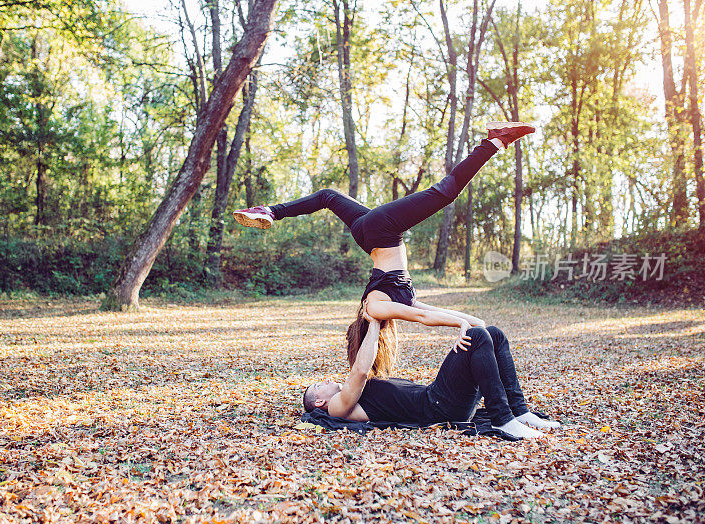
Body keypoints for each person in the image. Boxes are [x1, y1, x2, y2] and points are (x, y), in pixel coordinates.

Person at [234, 121, 536, 377]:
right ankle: (271, 211)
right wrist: (472, 322)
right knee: (327, 196)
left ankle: (495, 140)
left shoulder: (376, 308)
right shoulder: (394, 303)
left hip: (382, 231)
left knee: (444, 192)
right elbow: (430, 312)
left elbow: (423, 319)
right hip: (369, 234)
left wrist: (460, 324)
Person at [302, 317, 561, 439]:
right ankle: (503, 420)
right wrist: (372, 322)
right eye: (319, 385)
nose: (325, 380)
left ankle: (519, 411)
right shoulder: (338, 408)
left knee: (493, 333)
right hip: (438, 406)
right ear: (320, 403)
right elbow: (359, 369)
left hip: (440, 399)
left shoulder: (354, 394)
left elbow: (366, 365)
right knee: (479, 336)